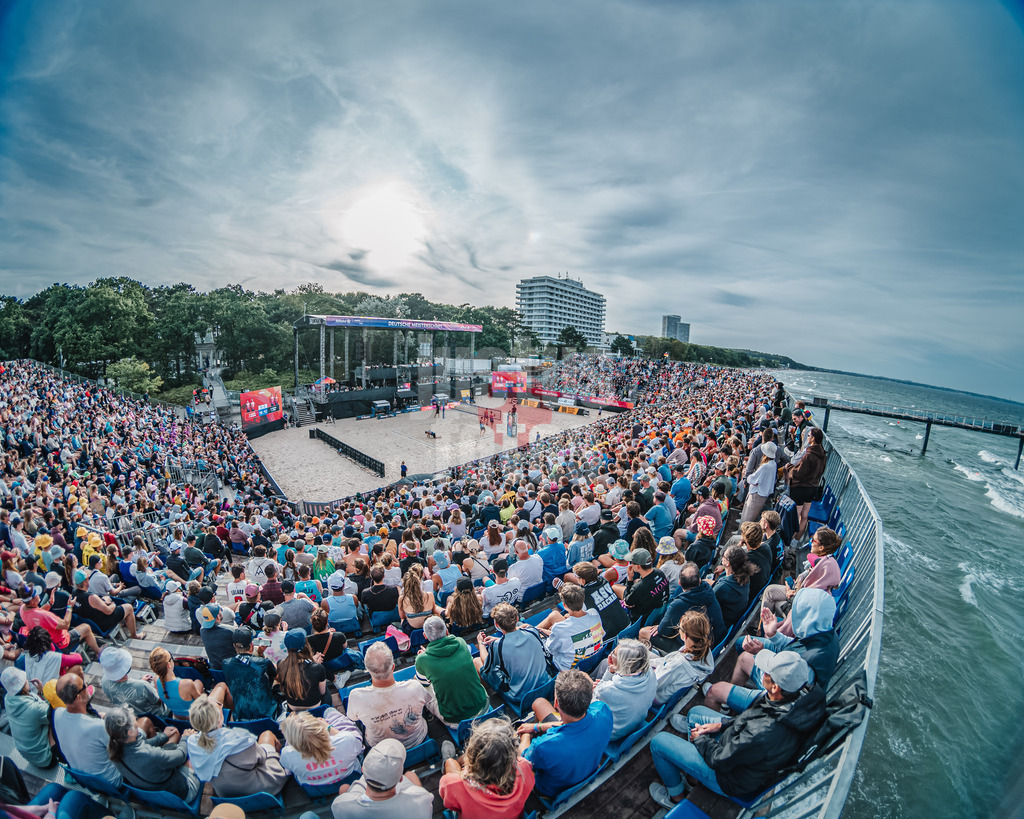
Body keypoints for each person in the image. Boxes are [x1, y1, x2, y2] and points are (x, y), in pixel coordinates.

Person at [648, 652, 826, 807]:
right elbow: (752, 718)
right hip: (741, 752)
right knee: (695, 714)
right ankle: (692, 779)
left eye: (766, 673)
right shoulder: (796, 699)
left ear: (775, 687)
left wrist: (700, 739)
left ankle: (676, 797)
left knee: (658, 742)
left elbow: (720, 759)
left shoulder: (765, 731)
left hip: (729, 777)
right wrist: (722, 724)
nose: (761, 672)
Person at [53, 673, 171, 788]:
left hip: (87, 780)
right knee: (145, 722)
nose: (87, 683)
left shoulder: (56, 714)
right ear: (78, 697)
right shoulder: (99, 727)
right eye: (84, 685)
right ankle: (156, 762)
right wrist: (163, 737)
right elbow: (131, 744)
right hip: (115, 779)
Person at [517, 669, 613, 799]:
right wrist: (537, 726)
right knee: (539, 703)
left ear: (556, 703)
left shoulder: (543, 746)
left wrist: (526, 733)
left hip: (550, 790)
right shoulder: (603, 710)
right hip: (589, 768)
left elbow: (523, 761)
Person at [186, 693, 289, 797]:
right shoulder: (239, 739)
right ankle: (285, 761)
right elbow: (262, 757)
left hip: (224, 792)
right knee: (267, 735)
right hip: (259, 789)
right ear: (219, 719)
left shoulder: (191, 742)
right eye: (219, 707)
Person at [346, 640, 436, 750]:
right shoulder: (414, 686)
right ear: (393, 667)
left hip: (382, 749)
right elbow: (428, 700)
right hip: (417, 739)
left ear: (368, 670)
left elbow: (352, 718)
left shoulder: (356, 696)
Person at [440, 718, 535, 819]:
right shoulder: (524, 768)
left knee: (450, 762)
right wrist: (526, 735)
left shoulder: (453, 784)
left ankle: (449, 759)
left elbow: (451, 805)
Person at [105, 705, 202, 803]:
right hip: (184, 792)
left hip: (155, 788)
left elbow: (141, 744)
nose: (138, 726)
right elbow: (181, 756)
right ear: (130, 732)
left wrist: (164, 736)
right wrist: (185, 737)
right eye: (135, 726)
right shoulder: (151, 754)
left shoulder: (114, 749)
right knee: (196, 750)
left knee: (174, 735)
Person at [330, 738, 433, 818]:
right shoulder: (421, 799)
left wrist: (370, 775)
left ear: (362, 769)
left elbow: (360, 785)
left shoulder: (341, 805)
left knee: (344, 788)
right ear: (400, 779)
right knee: (410, 775)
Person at [414, 615, 489, 726]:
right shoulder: (461, 642)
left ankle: (427, 716)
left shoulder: (422, 660)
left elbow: (425, 684)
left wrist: (425, 657)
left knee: (418, 681)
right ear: (447, 631)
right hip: (484, 706)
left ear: (425, 636)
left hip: (455, 721)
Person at [475, 603, 553, 709]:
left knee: (478, 662)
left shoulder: (497, 646)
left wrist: (480, 644)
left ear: (497, 625)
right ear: (517, 618)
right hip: (546, 684)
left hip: (521, 696)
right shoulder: (533, 632)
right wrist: (498, 641)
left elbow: (486, 665)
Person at [642, 561, 726, 651]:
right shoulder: (709, 590)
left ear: (679, 583)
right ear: (700, 580)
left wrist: (660, 627)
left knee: (643, 632)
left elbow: (663, 631)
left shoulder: (677, 605)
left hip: (695, 650)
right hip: (715, 642)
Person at [279, 708, 363, 788]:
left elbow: (288, 770)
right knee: (328, 710)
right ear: (319, 728)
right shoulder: (347, 739)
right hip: (350, 777)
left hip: (315, 788)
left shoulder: (287, 754)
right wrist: (328, 727)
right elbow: (360, 748)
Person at [593, 639, 658, 740]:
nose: (610, 655)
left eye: (613, 653)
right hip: (633, 721)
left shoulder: (609, 689)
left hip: (611, 733)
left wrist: (606, 678)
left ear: (622, 663)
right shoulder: (650, 672)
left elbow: (597, 691)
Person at [648, 610, 716, 706]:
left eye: (679, 628)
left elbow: (654, 684)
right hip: (667, 674)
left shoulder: (677, 665)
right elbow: (666, 663)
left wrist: (644, 668)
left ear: (684, 635)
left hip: (656, 695)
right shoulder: (705, 649)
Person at [149, 646, 231, 720]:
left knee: (198, 682)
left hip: (177, 716)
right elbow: (203, 702)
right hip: (196, 717)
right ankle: (231, 715)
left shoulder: (156, 680)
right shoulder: (186, 684)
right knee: (222, 685)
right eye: (171, 658)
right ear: (168, 665)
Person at [539, 584, 605, 672]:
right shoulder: (594, 613)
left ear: (564, 605)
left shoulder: (560, 628)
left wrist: (544, 634)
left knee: (539, 634)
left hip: (569, 671)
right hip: (593, 661)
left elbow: (550, 650)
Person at [221, 628, 280, 722]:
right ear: (252, 645)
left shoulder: (226, 664)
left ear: (234, 646)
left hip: (239, 717)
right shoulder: (264, 662)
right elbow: (279, 677)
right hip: (266, 716)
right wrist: (261, 655)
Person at [1, 666, 55, 767]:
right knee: (58, 721)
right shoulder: (34, 709)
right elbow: (54, 712)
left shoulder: (8, 699)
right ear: (22, 685)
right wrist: (43, 692)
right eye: (24, 679)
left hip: (29, 755)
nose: (27, 680)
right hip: (45, 759)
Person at [71, 567, 145, 639]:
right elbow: (109, 611)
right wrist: (113, 604)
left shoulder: (74, 593)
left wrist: (103, 600)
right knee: (129, 607)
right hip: (103, 623)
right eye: (88, 578)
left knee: (106, 598)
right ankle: (135, 635)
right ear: (84, 582)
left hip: (92, 622)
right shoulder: (91, 597)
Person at [100, 646, 170, 718]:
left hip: (132, 716)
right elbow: (159, 700)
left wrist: (139, 682)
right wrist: (156, 683)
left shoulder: (104, 681)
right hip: (155, 716)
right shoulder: (142, 686)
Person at [785, 427, 827, 541]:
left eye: (809, 435)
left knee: (795, 515)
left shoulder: (809, 455)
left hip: (800, 488)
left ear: (813, 438)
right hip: (812, 488)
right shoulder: (823, 454)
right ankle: (796, 540)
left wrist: (790, 468)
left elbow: (799, 473)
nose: (807, 437)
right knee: (804, 516)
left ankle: (788, 540)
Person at [275, 628, 328, 710]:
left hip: (292, 707)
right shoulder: (318, 668)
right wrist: (314, 664)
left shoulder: (280, 664)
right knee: (326, 691)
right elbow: (322, 692)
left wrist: (312, 662)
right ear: (306, 645)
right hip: (314, 707)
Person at [709, 545, 756, 630]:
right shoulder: (745, 576)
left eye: (724, 556)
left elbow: (708, 607)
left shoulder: (723, 587)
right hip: (733, 619)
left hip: (720, 626)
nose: (722, 557)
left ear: (728, 563)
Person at [621, 547, 670, 626]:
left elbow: (628, 602)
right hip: (658, 610)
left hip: (641, 620)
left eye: (631, 562)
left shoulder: (639, 587)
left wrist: (629, 579)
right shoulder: (659, 572)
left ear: (637, 566)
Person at [742, 441, 779, 524]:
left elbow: (752, 479)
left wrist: (747, 476)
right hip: (762, 494)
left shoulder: (765, 466)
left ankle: (741, 534)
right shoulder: (773, 464)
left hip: (757, 494)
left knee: (748, 517)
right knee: (749, 516)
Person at [397, 565, 442, 632]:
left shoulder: (402, 598)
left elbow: (402, 617)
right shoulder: (430, 595)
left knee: (403, 619)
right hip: (428, 629)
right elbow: (433, 611)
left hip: (411, 631)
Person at [199, 604, 238, 671]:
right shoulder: (230, 630)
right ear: (217, 616)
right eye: (220, 612)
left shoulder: (202, 630)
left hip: (215, 669)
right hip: (232, 668)